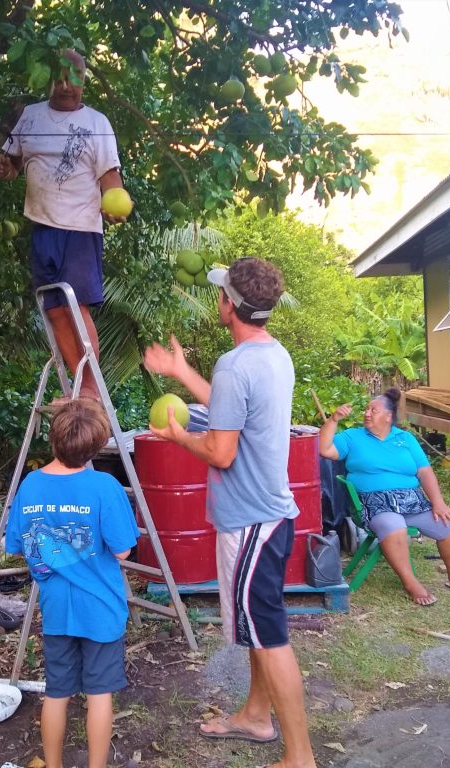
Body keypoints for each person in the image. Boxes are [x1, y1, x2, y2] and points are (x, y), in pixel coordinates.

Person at [143, 257, 316, 768]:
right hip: (273, 514)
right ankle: (257, 716)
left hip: (250, 524)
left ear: (230, 305)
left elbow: (221, 451)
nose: (216, 298)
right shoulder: (271, 355)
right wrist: (180, 372)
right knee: (261, 628)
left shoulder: (236, 363)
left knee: (269, 635)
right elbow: (228, 408)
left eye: (221, 293)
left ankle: (300, 756)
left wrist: (178, 436)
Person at [4, 398, 139, 768]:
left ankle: (53, 765)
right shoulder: (104, 487)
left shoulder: (30, 486)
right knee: (99, 695)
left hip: (57, 610)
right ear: (97, 445)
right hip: (102, 610)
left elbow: (16, 546)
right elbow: (124, 551)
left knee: (57, 692)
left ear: (53, 439)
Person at [0, 49, 128, 401]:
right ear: (49, 78)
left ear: (84, 80)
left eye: (76, 77)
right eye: (60, 78)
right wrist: (4, 167)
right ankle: (79, 383)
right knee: (53, 309)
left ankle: (91, 391)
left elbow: (110, 178)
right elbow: (11, 164)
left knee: (75, 306)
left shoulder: (98, 123)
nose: (67, 86)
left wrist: (116, 205)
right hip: (42, 228)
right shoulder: (30, 116)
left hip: (80, 229)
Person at [318, 389, 450, 606]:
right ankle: (411, 583)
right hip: (373, 503)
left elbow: (424, 471)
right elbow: (325, 450)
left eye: (373, 410)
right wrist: (334, 419)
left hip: (411, 501)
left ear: (388, 416)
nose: (367, 413)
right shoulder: (353, 437)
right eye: (366, 409)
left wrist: (438, 502)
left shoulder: (405, 438)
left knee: (449, 525)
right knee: (394, 525)